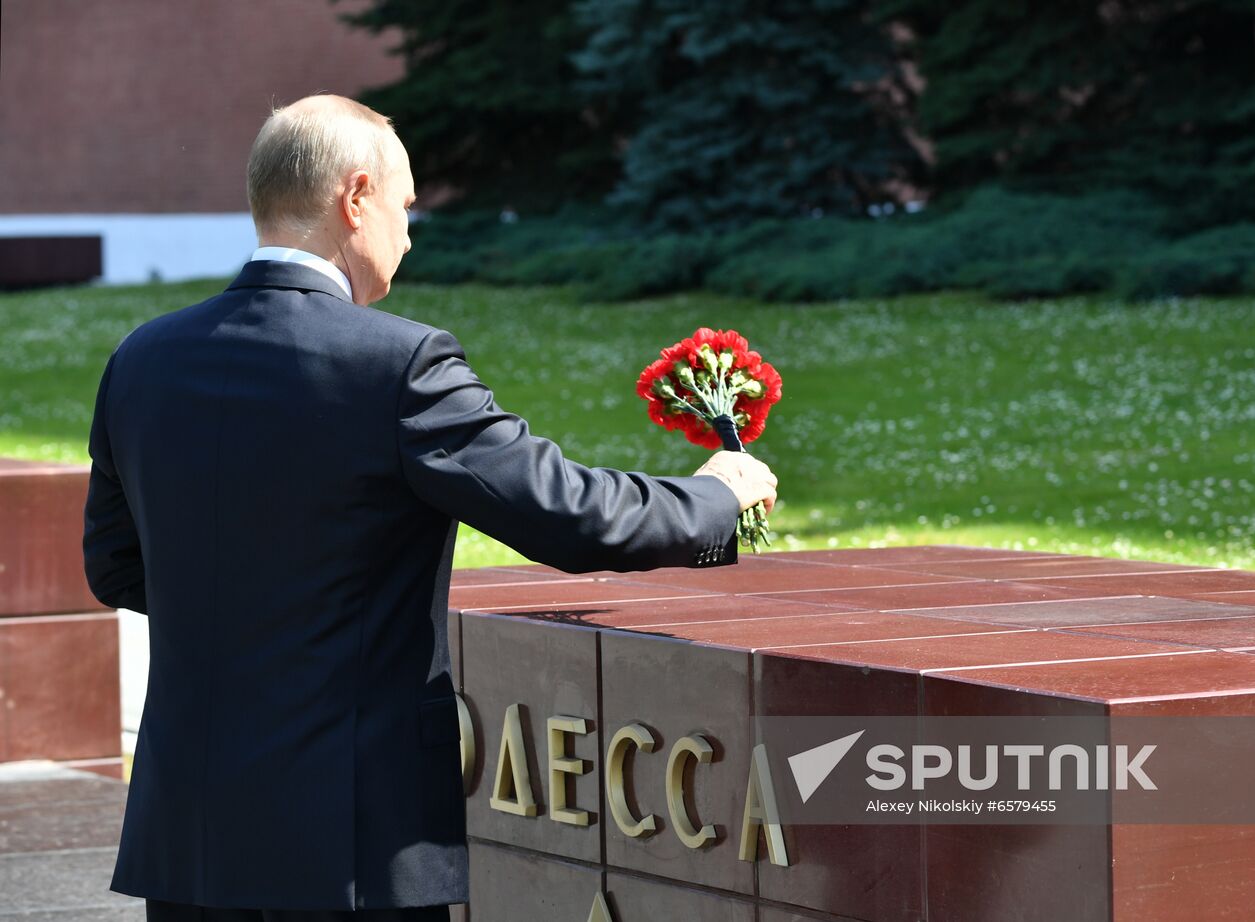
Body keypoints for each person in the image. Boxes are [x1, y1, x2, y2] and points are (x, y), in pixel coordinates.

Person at [83, 94, 777, 922]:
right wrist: (715, 495)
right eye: (406, 207)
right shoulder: (399, 364)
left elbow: (116, 565)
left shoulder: (142, 360)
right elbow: (564, 513)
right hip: (354, 838)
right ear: (356, 197)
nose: (409, 236)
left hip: (191, 831)